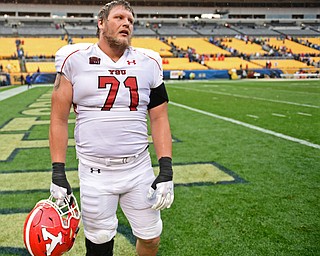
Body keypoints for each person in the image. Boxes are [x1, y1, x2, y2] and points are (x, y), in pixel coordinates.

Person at [49, 1, 174, 256]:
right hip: (95, 172)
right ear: (101, 23)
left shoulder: (149, 61)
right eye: (118, 17)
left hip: (138, 169)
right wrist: (58, 171)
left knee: (151, 238)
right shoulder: (74, 59)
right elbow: (58, 119)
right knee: (99, 245)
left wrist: (166, 168)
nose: (126, 23)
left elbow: (159, 118)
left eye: (130, 20)